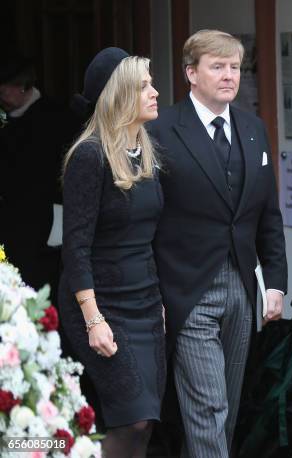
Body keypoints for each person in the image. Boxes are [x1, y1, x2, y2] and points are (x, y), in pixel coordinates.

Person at [148, 30, 288, 458]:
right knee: (208, 407)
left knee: (225, 409)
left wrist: (277, 283)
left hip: (242, 289)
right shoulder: (161, 129)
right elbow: (144, 219)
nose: (230, 76)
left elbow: (268, 211)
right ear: (191, 73)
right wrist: (153, 291)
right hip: (186, 289)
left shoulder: (252, 128)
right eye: (217, 66)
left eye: (234, 67)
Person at [58, 47, 164, 457]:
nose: (155, 92)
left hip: (145, 304)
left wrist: (159, 304)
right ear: (118, 96)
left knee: (145, 425)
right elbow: (76, 247)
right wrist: (93, 319)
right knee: (130, 419)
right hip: (101, 306)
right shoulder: (89, 156)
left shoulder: (146, 154)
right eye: (144, 86)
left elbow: (148, 238)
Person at [0, 52, 79, 297]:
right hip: (9, 226)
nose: (1, 95)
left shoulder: (57, 119)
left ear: (23, 87)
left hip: (44, 228)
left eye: (4, 89)